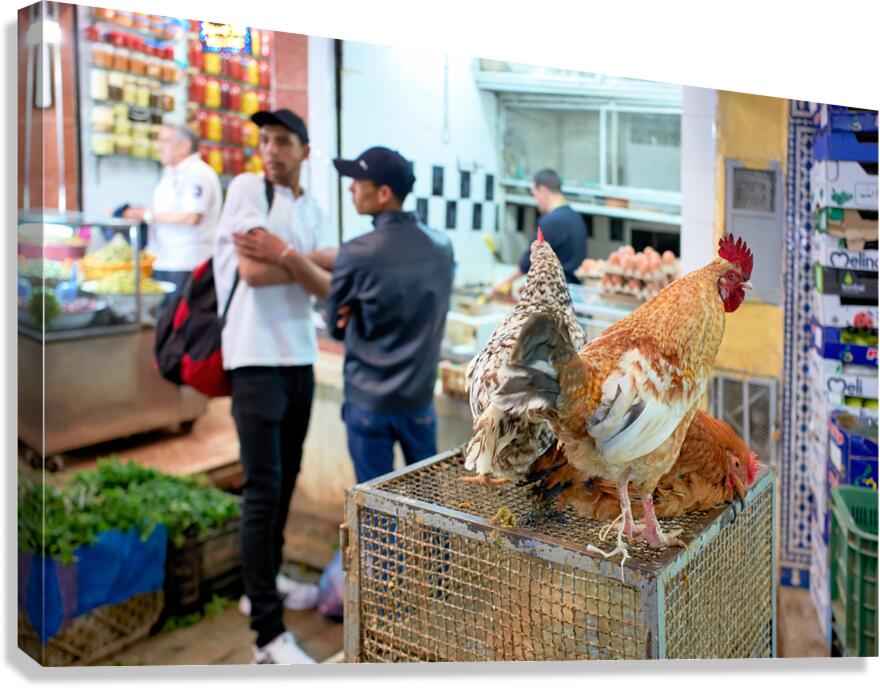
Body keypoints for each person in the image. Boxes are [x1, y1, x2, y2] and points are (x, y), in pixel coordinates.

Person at [212, 108, 337, 665]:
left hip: (298, 359)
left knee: (284, 481)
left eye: (283, 140)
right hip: (254, 359)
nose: (271, 149)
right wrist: (303, 265)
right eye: (264, 139)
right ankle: (267, 635)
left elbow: (329, 285)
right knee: (263, 488)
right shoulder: (245, 189)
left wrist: (285, 252)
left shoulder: (311, 207)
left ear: (304, 150)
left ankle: (261, 582)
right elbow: (252, 274)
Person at [327, 146, 455, 484]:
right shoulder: (441, 247)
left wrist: (349, 314)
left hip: (368, 401)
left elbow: (334, 327)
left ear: (384, 193)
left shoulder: (355, 253)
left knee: (376, 514)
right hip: (419, 400)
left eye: (358, 181)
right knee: (430, 510)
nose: (351, 188)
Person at [121, 124, 222, 307]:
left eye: (165, 141)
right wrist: (140, 214)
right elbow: (162, 210)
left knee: (180, 324)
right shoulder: (170, 173)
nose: (158, 146)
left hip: (187, 263)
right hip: (164, 260)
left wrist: (149, 216)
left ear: (184, 146)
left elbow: (192, 217)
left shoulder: (198, 174)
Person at [492, 168, 587, 296]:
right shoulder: (576, 217)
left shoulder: (550, 221)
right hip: (574, 293)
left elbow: (527, 263)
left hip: (555, 297)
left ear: (543, 190)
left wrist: (503, 284)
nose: (536, 202)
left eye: (535, 195)